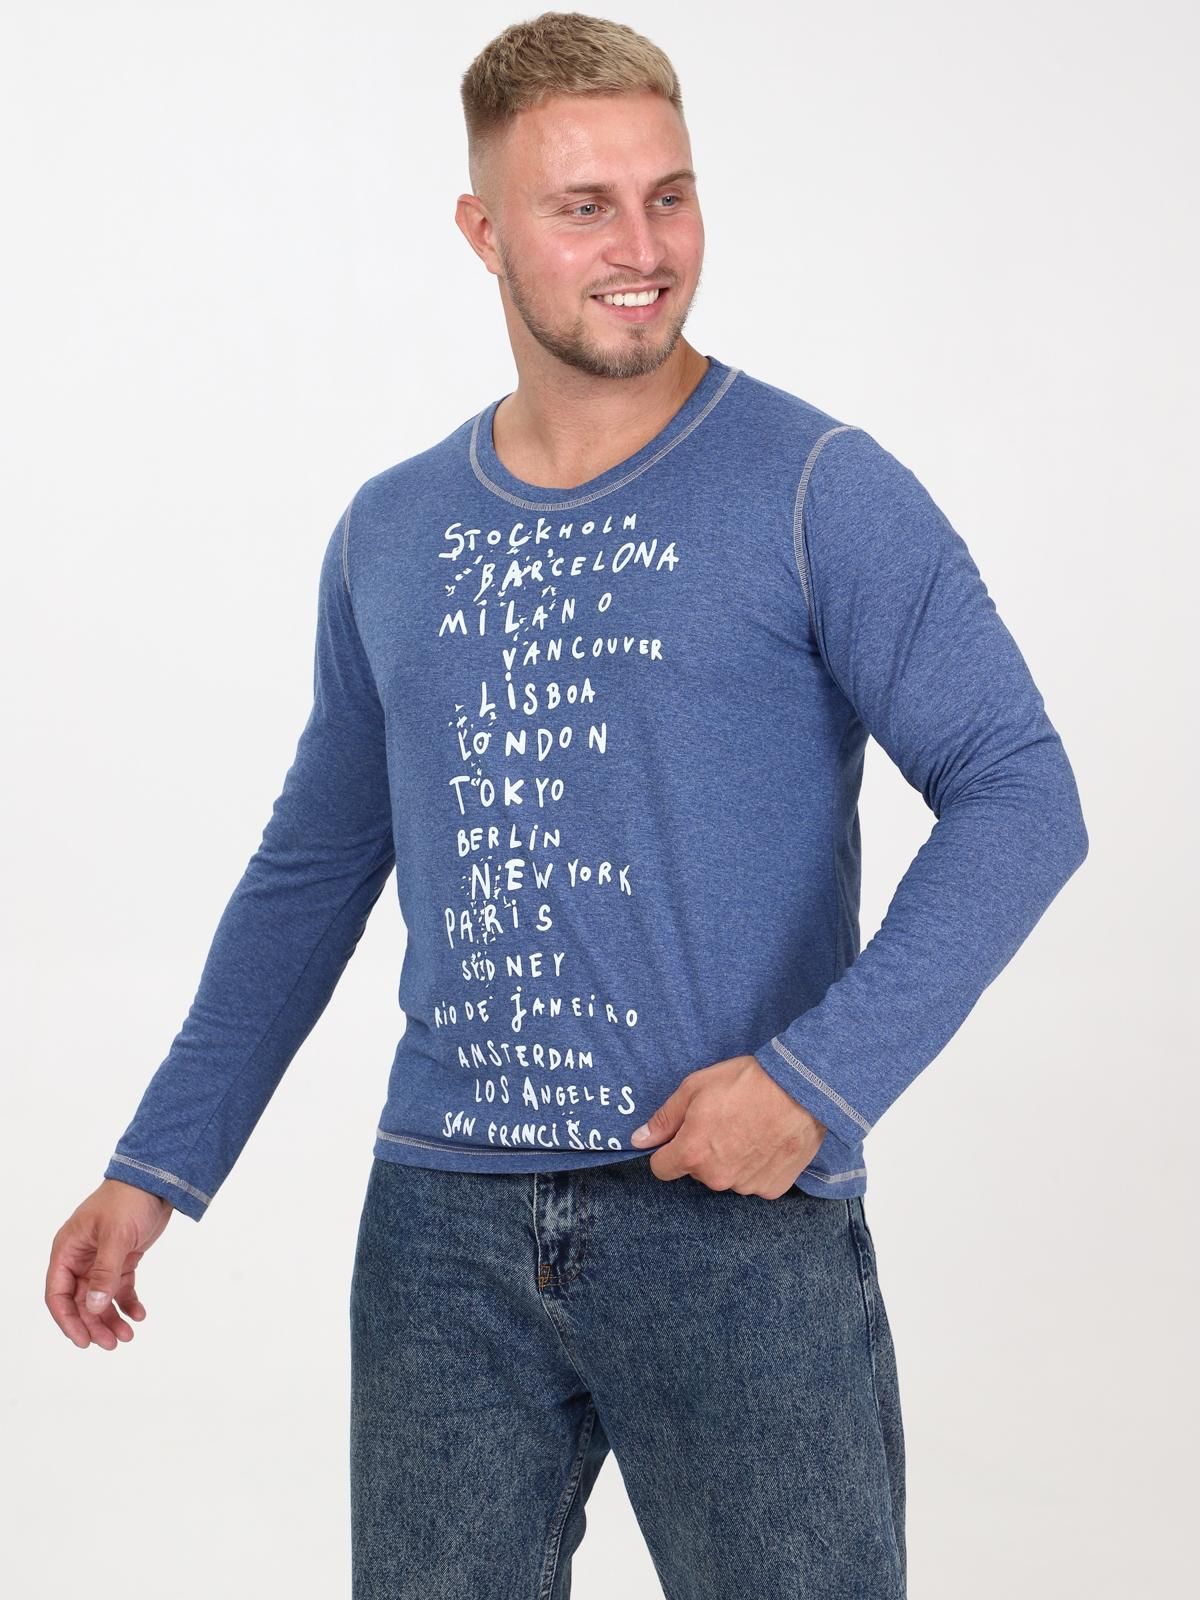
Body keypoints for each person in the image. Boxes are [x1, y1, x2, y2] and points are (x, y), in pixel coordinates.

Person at [45, 12, 1089, 1596]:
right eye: (584, 206)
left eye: (670, 197)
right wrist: (158, 1165)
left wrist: (819, 1081)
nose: (641, 249)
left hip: (731, 1223)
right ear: (484, 232)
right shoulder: (393, 531)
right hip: (443, 1233)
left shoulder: (819, 486)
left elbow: (1022, 792)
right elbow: (313, 869)